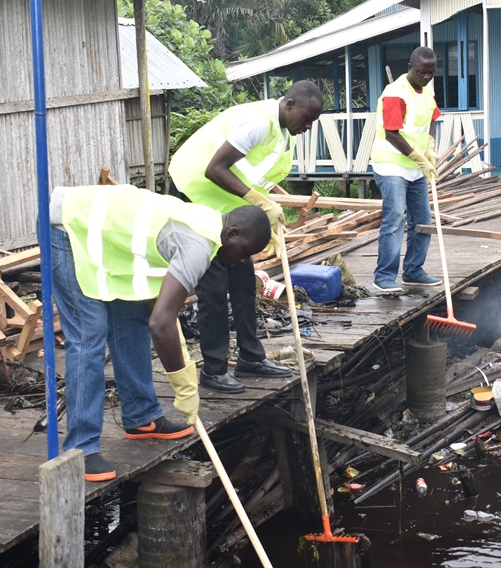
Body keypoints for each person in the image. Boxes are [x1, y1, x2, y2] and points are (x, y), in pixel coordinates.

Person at [50, 184, 270, 481]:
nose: (244, 262)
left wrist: (170, 331)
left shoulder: (210, 222)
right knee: (89, 335)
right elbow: (161, 323)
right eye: (245, 252)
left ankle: (142, 418)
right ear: (232, 235)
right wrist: (183, 385)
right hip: (68, 228)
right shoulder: (198, 247)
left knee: (131, 319)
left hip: (106, 242)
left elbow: (154, 307)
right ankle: (80, 449)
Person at [168, 81, 324, 394]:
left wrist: (266, 216)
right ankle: (213, 370)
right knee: (212, 288)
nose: (308, 126)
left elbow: (254, 178)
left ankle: (251, 358)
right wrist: (259, 200)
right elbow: (216, 169)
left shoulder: (283, 133)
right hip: (194, 196)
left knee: (242, 282)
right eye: (306, 118)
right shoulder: (260, 122)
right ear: (289, 104)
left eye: (313, 122)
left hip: (227, 209)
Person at [370, 46, 443, 295]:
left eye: (431, 73)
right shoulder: (395, 93)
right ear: (410, 67)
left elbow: (432, 118)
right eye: (422, 72)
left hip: (414, 166)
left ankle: (413, 271)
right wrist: (418, 157)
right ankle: (384, 276)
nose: (426, 77)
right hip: (390, 165)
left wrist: (430, 146)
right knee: (395, 219)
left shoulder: (427, 89)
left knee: (423, 220)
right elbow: (391, 133)